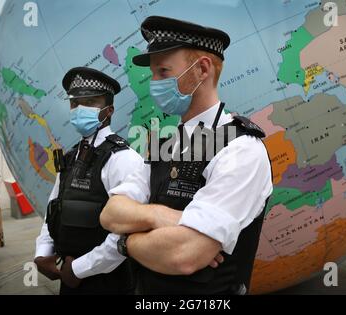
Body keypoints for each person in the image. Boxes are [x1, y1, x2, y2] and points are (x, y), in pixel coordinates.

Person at [100, 16, 274, 295]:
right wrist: (160, 216)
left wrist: (125, 242)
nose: (154, 83)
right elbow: (111, 213)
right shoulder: (163, 145)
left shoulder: (241, 149)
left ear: (202, 69)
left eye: (164, 72)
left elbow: (184, 255)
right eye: (153, 74)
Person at [34, 67, 144, 295]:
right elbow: (55, 206)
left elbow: (127, 231)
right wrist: (43, 251)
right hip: (69, 275)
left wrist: (79, 269)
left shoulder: (122, 158)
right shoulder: (70, 157)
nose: (79, 109)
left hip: (108, 280)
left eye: (91, 102)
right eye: (75, 104)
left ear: (108, 111)